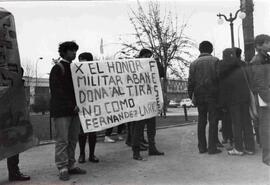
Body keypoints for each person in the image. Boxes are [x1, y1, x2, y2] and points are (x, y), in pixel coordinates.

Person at [49, 41, 86, 181]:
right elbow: (57, 91)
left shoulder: (76, 68)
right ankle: (62, 167)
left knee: (72, 139)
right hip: (62, 111)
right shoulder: (58, 68)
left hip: (75, 111)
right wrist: (71, 105)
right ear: (64, 52)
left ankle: (71, 164)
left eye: (75, 51)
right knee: (62, 140)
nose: (74, 53)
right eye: (71, 51)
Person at [218, 47, 255, 156]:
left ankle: (238, 148)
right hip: (245, 98)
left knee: (236, 124)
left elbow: (223, 88)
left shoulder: (224, 68)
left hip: (233, 100)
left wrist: (222, 103)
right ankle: (250, 148)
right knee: (247, 123)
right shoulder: (243, 65)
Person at [188, 41, 221, 154]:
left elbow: (190, 82)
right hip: (213, 95)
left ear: (200, 50)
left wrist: (191, 96)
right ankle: (212, 148)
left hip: (199, 95)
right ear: (211, 50)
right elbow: (219, 79)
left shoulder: (193, 63)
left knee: (201, 121)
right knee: (213, 121)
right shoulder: (215, 61)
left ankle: (202, 147)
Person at [132, 48, 165, 161]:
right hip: (140, 103)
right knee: (139, 129)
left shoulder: (151, 65)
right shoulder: (134, 65)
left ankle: (152, 148)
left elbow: (162, 74)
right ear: (141, 56)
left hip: (150, 101)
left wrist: (158, 62)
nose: (147, 58)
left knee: (152, 128)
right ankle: (136, 151)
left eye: (149, 56)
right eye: (146, 56)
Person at [250, 34, 270, 165]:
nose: (269, 44)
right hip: (265, 99)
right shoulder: (258, 60)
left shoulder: (265, 58)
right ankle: (267, 158)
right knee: (266, 128)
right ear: (258, 45)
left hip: (266, 97)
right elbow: (259, 83)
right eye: (267, 42)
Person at [77, 52, 99, 163]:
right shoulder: (77, 72)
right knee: (82, 132)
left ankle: (92, 154)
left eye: (83, 59)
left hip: (94, 106)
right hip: (82, 106)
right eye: (80, 59)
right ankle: (82, 154)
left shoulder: (95, 72)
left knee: (93, 132)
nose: (81, 62)